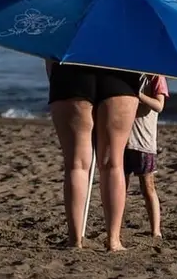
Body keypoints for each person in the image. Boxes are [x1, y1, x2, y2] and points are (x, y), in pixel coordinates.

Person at [47, 60, 141, 251]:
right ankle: (114, 240)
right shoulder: (130, 28)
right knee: (113, 164)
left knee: (76, 165)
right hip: (121, 72)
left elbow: (49, 55)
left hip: (70, 75)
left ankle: (74, 240)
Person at [125, 74, 169, 239]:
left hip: (144, 141)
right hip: (123, 140)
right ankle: (117, 227)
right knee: (121, 186)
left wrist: (139, 95)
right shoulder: (127, 73)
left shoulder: (155, 77)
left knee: (147, 186)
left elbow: (159, 105)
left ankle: (155, 230)